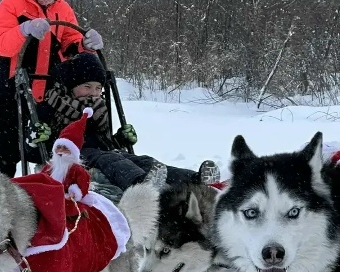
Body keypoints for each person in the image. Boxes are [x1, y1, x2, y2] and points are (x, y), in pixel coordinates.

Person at [0, 0, 103, 177]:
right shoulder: (12, 4)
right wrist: (24, 29)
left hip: (50, 86)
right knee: (8, 141)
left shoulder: (62, 8)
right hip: (13, 83)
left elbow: (70, 42)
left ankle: (45, 184)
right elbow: (0, 43)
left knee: (44, 139)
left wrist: (85, 44)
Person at [31, 52, 220, 191]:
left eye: (98, 88)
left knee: (141, 160)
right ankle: (140, 184)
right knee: (111, 159)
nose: (93, 93)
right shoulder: (51, 105)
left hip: (101, 152)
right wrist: (37, 136)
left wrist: (121, 139)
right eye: (87, 87)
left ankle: (194, 180)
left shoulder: (98, 109)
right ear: (70, 86)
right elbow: (34, 149)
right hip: (74, 158)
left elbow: (104, 142)